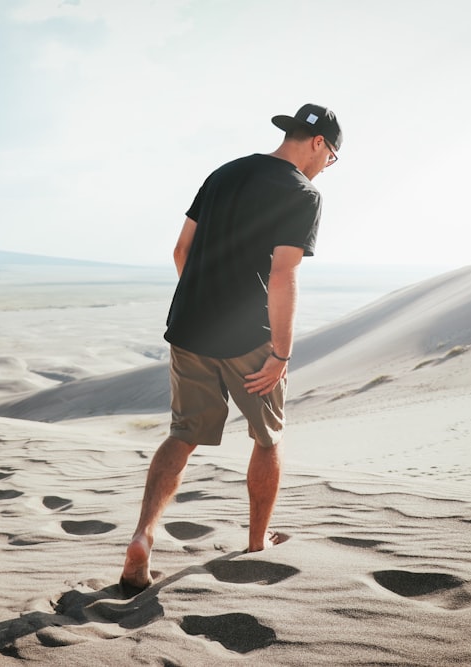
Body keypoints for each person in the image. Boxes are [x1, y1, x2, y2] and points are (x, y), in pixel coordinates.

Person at [119, 103, 343, 596]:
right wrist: (280, 354)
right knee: (267, 439)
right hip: (250, 339)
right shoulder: (303, 194)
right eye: (331, 159)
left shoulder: (224, 173)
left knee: (181, 435)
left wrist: (206, 301)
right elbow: (283, 275)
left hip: (189, 328)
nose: (327, 168)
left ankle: (141, 537)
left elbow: (181, 251)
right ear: (319, 144)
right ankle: (258, 543)